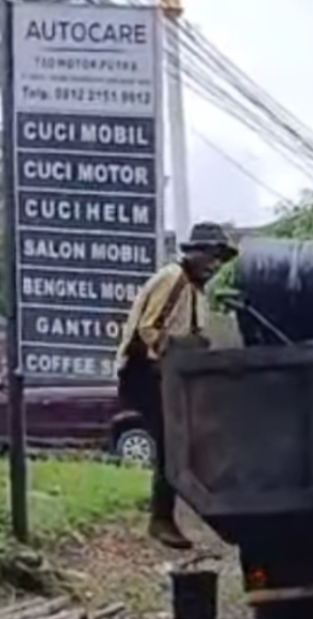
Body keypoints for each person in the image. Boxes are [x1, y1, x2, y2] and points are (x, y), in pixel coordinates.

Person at [115, 222, 238, 549]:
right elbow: (149, 328)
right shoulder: (175, 279)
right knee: (171, 444)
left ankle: (182, 513)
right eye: (210, 256)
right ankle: (161, 518)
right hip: (145, 371)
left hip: (165, 373)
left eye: (219, 259)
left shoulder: (196, 291)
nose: (214, 265)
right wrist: (174, 354)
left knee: (185, 442)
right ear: (194, 253)